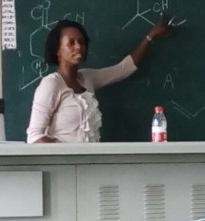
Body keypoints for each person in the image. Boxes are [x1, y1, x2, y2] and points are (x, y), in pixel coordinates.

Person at [26, 16, 174, 143]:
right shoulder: (51, 84)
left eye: (81, 42)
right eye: (71, 42)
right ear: (57, 50)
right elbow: (35, 137)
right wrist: (62, 157)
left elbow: (123, 69)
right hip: (65, 164)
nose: (78, 47)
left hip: (91, 162)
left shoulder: (87, 78)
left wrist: (150, 36)